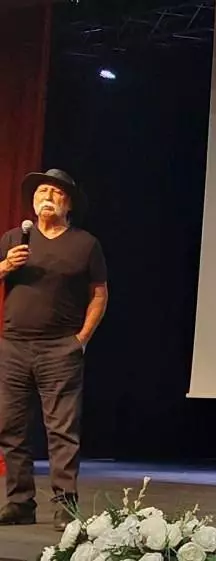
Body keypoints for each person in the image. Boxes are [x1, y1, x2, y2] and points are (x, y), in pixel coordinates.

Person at [0, 169, 108, 531]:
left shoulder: (85, 244)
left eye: (56, 192)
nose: (46, 196)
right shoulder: (14, 238)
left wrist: (82, 339)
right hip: (13, 347)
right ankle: (19, 503)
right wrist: (5, 265)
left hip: (60, 349)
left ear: (69, 203)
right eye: (41, 191)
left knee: (62, 431)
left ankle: (66, 507)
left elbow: (99, 294)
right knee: (10, 428)